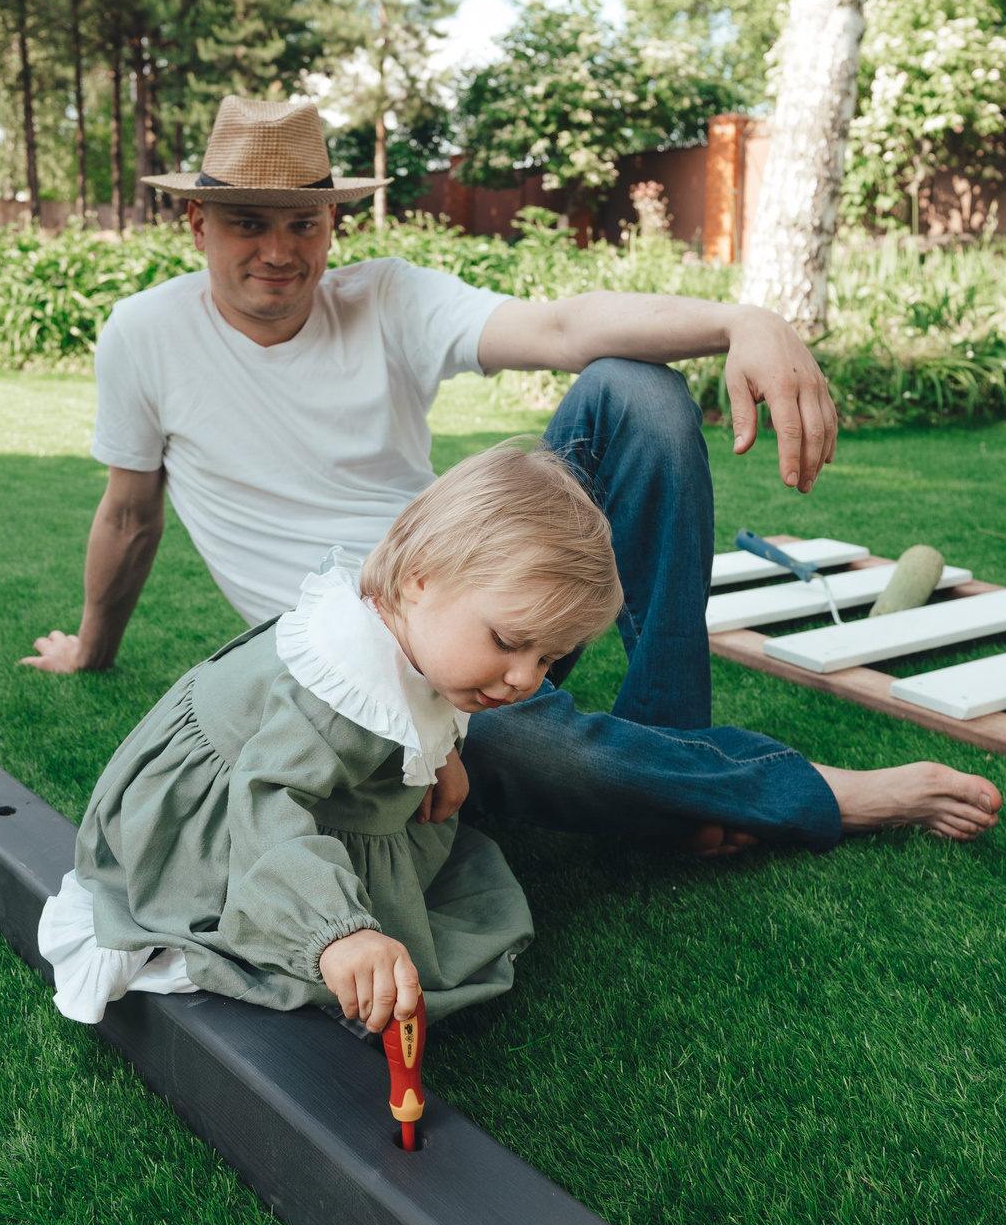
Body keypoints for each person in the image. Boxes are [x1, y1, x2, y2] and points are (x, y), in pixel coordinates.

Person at [24, 95, 1000, 851]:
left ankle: (664, 741)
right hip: (354, 658)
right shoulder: (144, 335)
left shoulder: (385, 299)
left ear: (333, 225)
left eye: (305, 225)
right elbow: (130, 515)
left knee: (636, 392)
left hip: (481, 592)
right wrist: (92, 648)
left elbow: (564, 326)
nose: (280, 253)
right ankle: (792, 795)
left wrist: (743, 321)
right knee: (506, 739)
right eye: (248, 223)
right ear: (196, 221)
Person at [37, 442, 623, 1032]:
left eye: (548, 657)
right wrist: (338, 933)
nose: (526, 678)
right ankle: (300, 911)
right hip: (230, 825)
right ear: (420, 579)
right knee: (385, 961)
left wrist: (437, 750)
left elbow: (411, 699)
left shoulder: (410, 629)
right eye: (508, 641)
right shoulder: (336, 691)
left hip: (284, 793)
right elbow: (267, 799)